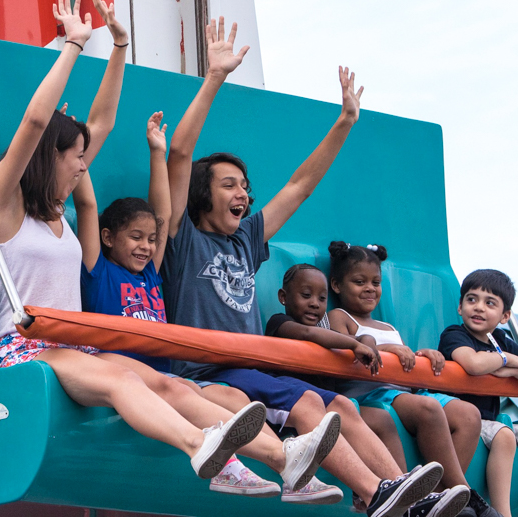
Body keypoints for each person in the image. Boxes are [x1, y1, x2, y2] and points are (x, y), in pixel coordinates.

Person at [161, 16, 453, 517]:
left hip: (256, 368)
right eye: (229, 185)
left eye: (245, 186)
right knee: (314, 408)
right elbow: (181, 151)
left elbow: (299, 187)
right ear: (202, 193)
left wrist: (344, 123)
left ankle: (408, 496)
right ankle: (375, 493)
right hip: (214, 374)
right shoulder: (182, 241)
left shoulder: (246, 240)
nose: (243, 194)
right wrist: (215, 77)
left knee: (345, 406)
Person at [0, 0, 269, 488]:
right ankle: (201, 449)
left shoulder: (64, 215)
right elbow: (33, 123)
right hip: (24, 346)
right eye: (74, 156)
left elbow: (101, 124)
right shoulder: (3, 206)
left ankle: (285, 460)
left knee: (167, 383)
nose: (83, 164)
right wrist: (73, 46)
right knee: (126, 379)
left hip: (76, 345)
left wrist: (117, 48)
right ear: (50, 156)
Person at [73, 111, 342, 502]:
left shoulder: (152, 274)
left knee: (231, 400)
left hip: (173, 376)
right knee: (187, 392)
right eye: (135, 237)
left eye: (152, 240)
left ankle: (273, 465)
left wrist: (156, 153)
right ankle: (278, 462)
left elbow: (161, 218)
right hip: (144, 371)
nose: (147, 247)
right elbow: (89, 205)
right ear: (108, 237)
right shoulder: (99, 271)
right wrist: (84, 154)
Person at [269, 262, 481, 517]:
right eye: (306, 296)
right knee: (379, 415)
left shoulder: (334, 331)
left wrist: (365, 343)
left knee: (382, 418)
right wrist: (356, 344)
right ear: (283, 297)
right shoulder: (281, 323)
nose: (315, 303)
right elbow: (307, 334)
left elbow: (363, 341)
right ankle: (403, 495)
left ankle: (402, 490)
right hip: (298, 407)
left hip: (332, 404)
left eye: (321, 298)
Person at [326, 243, 502, 517]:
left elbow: (404, 363)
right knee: (428, 409)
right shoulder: (340, 317)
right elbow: (344, 351)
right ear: (336, 285)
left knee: (468, 413)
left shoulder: (389, 327)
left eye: (376, 282)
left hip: (403, 391)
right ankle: (465, 495)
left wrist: (423, 356)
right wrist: (389, 351)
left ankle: (441, 497)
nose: (370, 288)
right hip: (372, 393)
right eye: (359, 282)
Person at [438, 270, 518, 517]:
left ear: (505, 316)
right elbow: (473, 364)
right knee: (503, 434)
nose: (479, 308)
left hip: (489, 422)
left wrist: (507, 369)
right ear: (460, 307)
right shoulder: (455, 335)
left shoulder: (499, 339)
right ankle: (501, 513)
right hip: (463, 420)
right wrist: (507, 359)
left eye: (489, 303)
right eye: (472, 299)